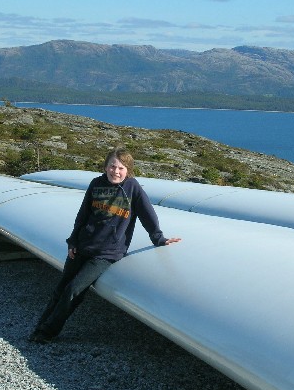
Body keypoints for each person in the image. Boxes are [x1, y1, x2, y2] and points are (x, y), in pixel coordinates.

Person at [29, 147, 181, 343]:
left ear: (128, 170)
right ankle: (39, 327)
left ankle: (47, 332)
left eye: (121, 168)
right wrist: (73, 241)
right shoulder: (96, 184)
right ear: (105, 167)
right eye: (112, 166)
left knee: (74, 290)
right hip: (82, 246)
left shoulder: (133, 188)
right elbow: (83, 215)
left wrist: (159, 239)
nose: (116, 171)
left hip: (106, 253)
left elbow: (147, 215)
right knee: (61, 289)